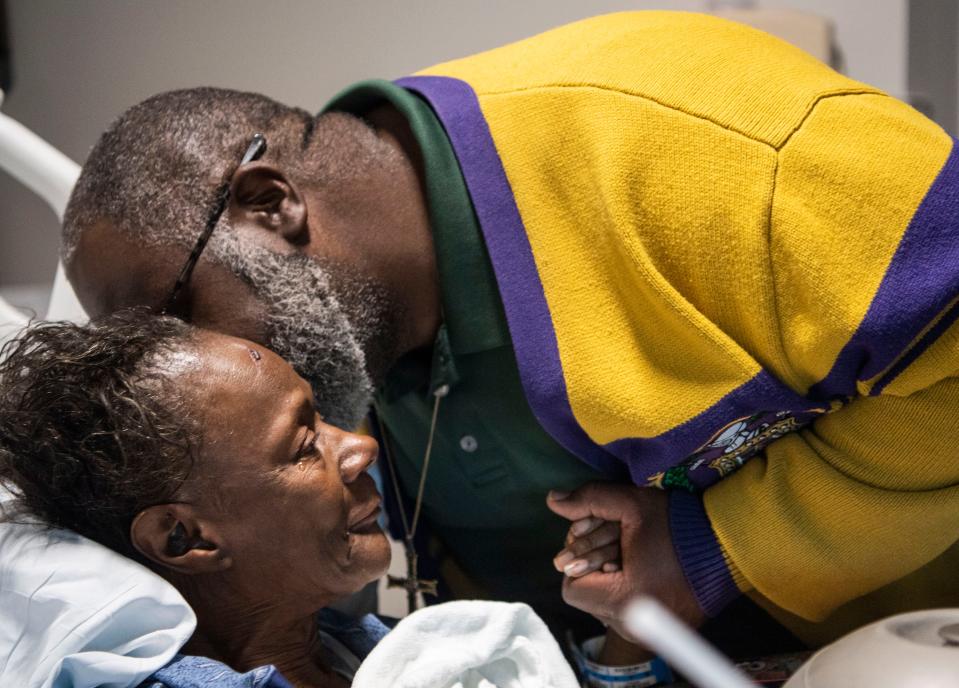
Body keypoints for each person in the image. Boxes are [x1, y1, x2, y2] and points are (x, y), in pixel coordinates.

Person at [61, 9, 959, 657]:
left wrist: (719, 546)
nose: (193, 369)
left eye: (177, 317)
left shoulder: (721, 151)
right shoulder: (341, 344)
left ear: (271, 204)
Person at [0, 314, 391, 687]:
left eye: (319, 416)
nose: (362, 447)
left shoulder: (379, 651)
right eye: (306, 446)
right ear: (185, 538)